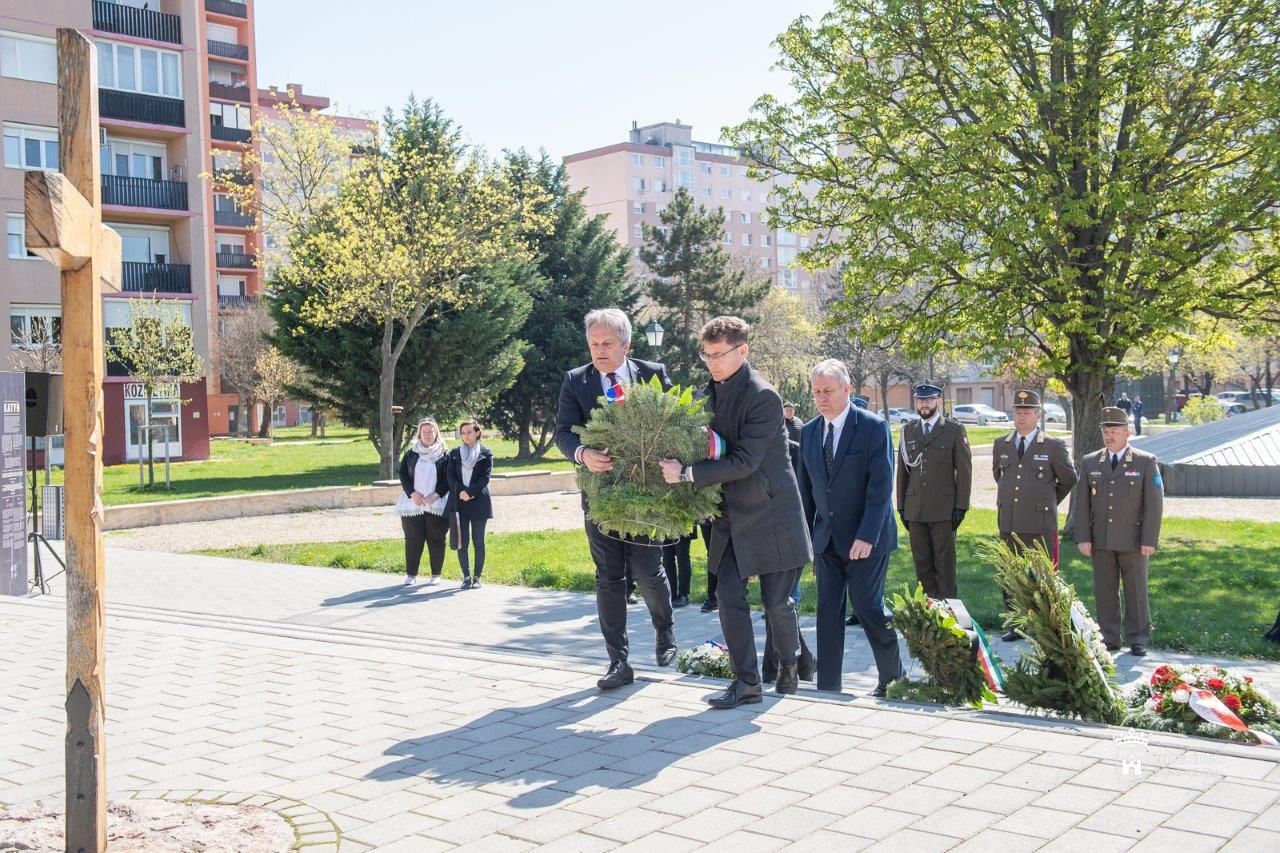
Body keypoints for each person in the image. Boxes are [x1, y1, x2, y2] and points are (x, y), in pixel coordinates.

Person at [660, 316, 812, 708]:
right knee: (728, 597)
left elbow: (745, 460)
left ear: (742, 352)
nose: (711, 363)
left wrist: (688, 474)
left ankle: (790, 662)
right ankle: (746, 683)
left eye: (718, 355)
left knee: (778, 605)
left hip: (771, 512)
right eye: (706, 355)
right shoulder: (705, 395)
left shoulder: (764, 396)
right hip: (730, 516)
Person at [555, 308, 677, 690]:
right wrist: (582, 454)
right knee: (608, 578)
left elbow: (676, 421)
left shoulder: (653, 374)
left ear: (626, 344)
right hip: (601, 495)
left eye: (608, 343)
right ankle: (618, 662)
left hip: (644, 495)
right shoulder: (576, 381)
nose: (600, 351)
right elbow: (563, 432)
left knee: (647, 571)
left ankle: (665, 631)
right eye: (594, 344)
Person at [795, 359, 903, 697]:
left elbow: (881, 487)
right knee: (827, 611)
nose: (822, 398)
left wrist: (867, 536)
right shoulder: (810, 432)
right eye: (816, 392)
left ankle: (892, 678)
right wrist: (808, 542)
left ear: (847, 389)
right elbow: (806, 492)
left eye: (828, 391)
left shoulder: (873, 428)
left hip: (866, 539)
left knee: (868, 607)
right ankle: (829, 685)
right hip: (827, 541)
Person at [1073, 407, 1164, 657]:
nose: (1109, 436)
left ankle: (1137, 638)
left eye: (1114, 431)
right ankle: (1109, 637)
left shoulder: (1145, 461)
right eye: (1105, 431)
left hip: (1133, 541)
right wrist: (1083, 536)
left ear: (1127, 433)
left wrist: (1149, 539)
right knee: (1105, 590)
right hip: (1101, 539)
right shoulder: (1091, 461)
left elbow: (1154, 506)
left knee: (1135, 590)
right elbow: (1081, 504)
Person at [991, 389, 1078, 640]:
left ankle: (1047, 625)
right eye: (1017, 412)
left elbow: (1068, 479)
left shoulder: (1052, 446)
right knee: (1010, 576)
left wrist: (1046, 502)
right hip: (1009, 523)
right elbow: (1000, 476)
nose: (1021, 417)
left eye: (1027, 412)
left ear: (1038, 415)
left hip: (1039, 524)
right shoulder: (1002, 444)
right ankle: (1014, 624)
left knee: (1043, 578)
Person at [895, 383, 973, 598]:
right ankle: (928, 611)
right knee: (922, 564)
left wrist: (961, 506)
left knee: (945, 564)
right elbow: (902, 472)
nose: (924, 404)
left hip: (944, 511)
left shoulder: (953, 430)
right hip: (915, 510)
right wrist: (901, 507)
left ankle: (950, 613)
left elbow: (965, 471)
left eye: (929, 399)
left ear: (938, 400)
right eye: (920, 400)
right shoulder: (907, 431)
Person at [395, 418, 451, 587]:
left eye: (431, 431)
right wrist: (412, 493)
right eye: (424, 431)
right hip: (413, 503)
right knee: (413, 539)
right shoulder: (411, 453)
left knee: (436, 539)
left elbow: (449, 478)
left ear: (436, 433)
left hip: (437, 502)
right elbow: (403, 474)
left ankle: (436, 574)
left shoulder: (444, 454)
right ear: (419, 433)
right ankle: (411, 575)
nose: (427, 435)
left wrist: (435, 495)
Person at [446, 418, 493, 590]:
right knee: (462, 541)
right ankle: (466, 577)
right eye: (463, 433)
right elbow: (450, 477)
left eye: (469, 432)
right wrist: (461, 492)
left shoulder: (486, 454)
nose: (466, 436)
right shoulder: (454, 454)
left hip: (479, 502)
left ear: (477, 433)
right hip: (459, 502)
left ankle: (477, 577)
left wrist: (470, 492)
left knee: (479, 541)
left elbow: (485, 478)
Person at [662, 531, 693, 608]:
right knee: (667, 560)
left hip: (682, 523)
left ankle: (684, 595)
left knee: (682, 559)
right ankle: (671, 593)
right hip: (665, 524)